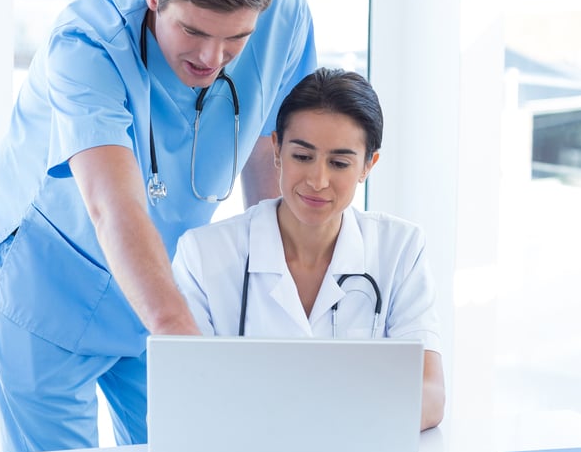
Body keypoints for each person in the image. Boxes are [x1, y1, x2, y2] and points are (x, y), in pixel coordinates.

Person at [0, 0, 317, 452]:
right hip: (48, 279)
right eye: (193, 31)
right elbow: (113, 206)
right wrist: (188, 350)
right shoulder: (86, 45)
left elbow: (268, 151)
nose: (212, 57)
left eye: (236, 39)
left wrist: (272, 286)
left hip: (163, 272)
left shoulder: (285, 18)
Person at [171, 68, 446, 430]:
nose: (318, 181)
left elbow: (429, 393)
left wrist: (311, 422)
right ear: (277, 151)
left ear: (368, 166)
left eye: (339, 163)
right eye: (303, 156)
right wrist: (350, 410)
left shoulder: (400, 249)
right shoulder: (203, 255)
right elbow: (187, 395)